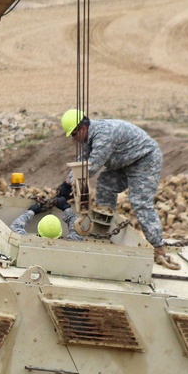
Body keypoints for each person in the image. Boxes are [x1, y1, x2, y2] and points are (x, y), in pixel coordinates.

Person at [60, 109, 180, 269]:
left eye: (74, 135)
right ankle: (104, 230)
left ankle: (159, 249)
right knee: (105, 184)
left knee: (140, 203)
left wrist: (68, 184)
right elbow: (83, 160)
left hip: (144, 159)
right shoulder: (91, 136)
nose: (74, 140)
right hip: (125, 161)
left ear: (82, 128)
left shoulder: (104, 135)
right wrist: (67, 182)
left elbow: (92, 165)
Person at [10, 198, 83, 241]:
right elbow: (78, 232)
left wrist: (32, 211)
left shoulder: (29, 241)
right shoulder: (72, 243)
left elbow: (15, 227)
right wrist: (67, 208)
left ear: (39, 229)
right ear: (60, 231)